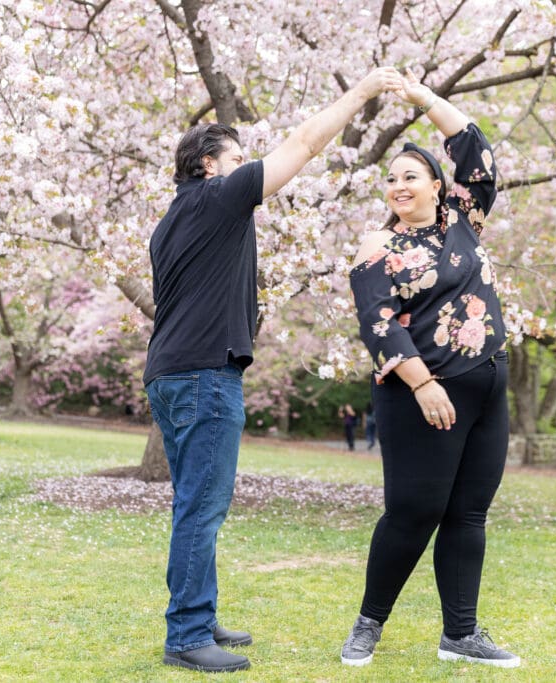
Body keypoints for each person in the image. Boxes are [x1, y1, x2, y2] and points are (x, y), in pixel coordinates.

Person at [143, 66, 402, 674]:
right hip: (205, 376)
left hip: (170, 374)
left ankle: (199, 617)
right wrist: (362, 93)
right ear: (210, 163)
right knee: (202, 508)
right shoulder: (220, 195)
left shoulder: (170, 222)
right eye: (238, 155)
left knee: (194, 502)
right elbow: (306, 145)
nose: (248, 163)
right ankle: (185, 635)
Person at [340, 69, 519, 669]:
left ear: (439, 186)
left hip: (489, 389)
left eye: (409, 176)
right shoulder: (377, 248)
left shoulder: (464, 219)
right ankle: (369, 624)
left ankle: (460, 634)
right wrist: (422, 384)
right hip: (422, 398)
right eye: (390, 179)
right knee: (414, 512)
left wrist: (419, 97)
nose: (397, 186)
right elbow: (378, 322)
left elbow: (474, 146)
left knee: (469, 513)